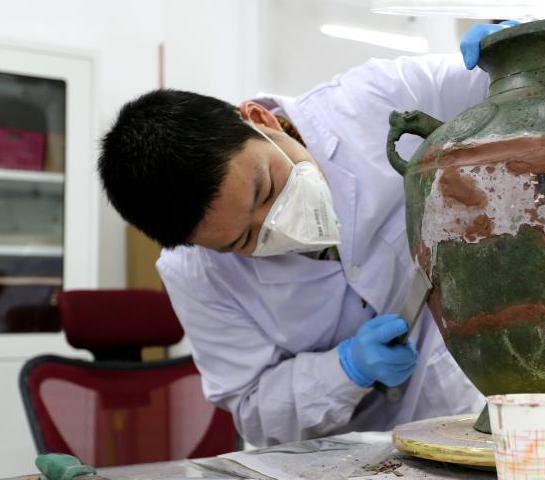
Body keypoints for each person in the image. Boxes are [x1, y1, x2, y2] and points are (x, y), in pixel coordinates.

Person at [98, 22, 515, 447]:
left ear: (261, 121)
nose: (277, 223)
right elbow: (254, 411)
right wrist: (347, 369)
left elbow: (513, 84)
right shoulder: (197, 273)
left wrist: (521, 50)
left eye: (266, 188)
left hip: (458, 404)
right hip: (335, 456)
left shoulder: (377, 100)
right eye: (244, 240)